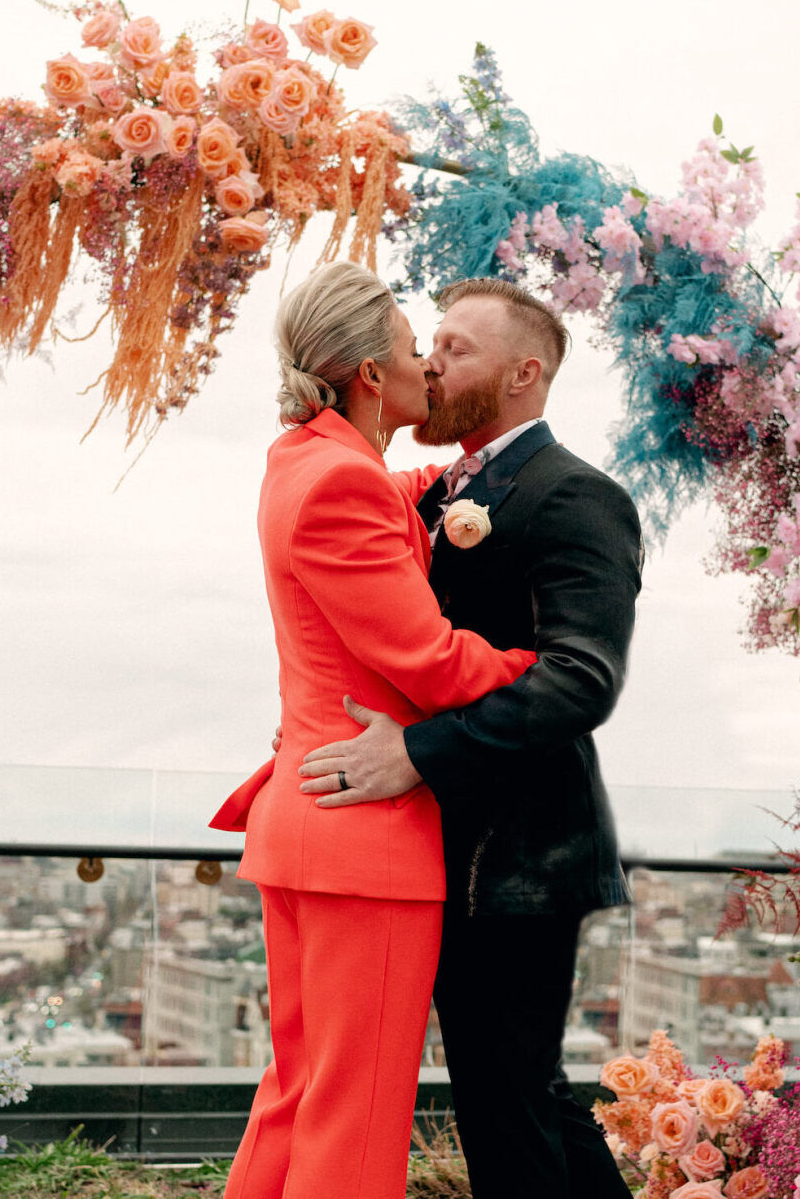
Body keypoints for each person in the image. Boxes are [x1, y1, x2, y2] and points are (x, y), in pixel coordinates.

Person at [298, 278, 642, 1199]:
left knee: (507, 1100)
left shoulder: (576, 496)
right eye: (427, 344)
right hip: (455, 849)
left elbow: (582, 679)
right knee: (518, 1092)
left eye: (454, 347)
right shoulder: (445, 490)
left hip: (525, 853)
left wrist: (414, 754)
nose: (428, 362)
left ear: (525, 373)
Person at [208, 262, 536, 1199]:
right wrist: (541, 670)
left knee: (300, 1093)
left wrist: (488, 471)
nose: (428, 370)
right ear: (364, 376)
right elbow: (427, 660)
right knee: (356, 1124)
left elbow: (402, 500)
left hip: (308, 824)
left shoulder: (307, 463)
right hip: (364, 838)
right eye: (409, 351)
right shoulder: (341, 485)